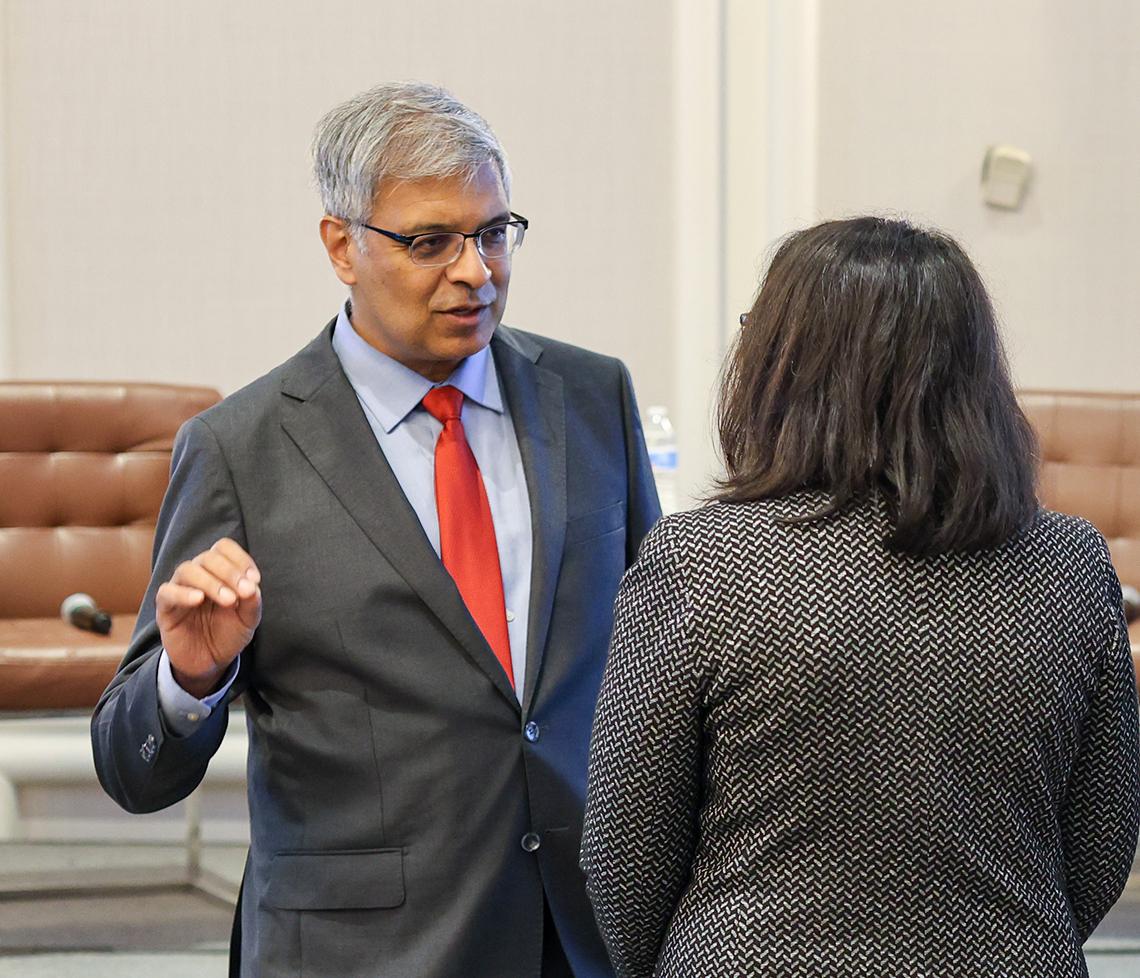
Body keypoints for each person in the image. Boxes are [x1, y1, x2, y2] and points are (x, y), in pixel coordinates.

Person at [92, 81, 660, 978]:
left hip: (581, 934)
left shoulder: (592, 398)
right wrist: (190, 676)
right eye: (430, 241)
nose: (475, 270)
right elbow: (133, 767)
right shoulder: (241, 448)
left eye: (494, 232)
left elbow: (652, 658)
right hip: (362, 949)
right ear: (341, 246)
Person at [580, 216, 1140, 977]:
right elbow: (1103, 842)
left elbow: (623, 853)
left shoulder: (698, 561)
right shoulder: (1070, 564)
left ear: (785, 365)